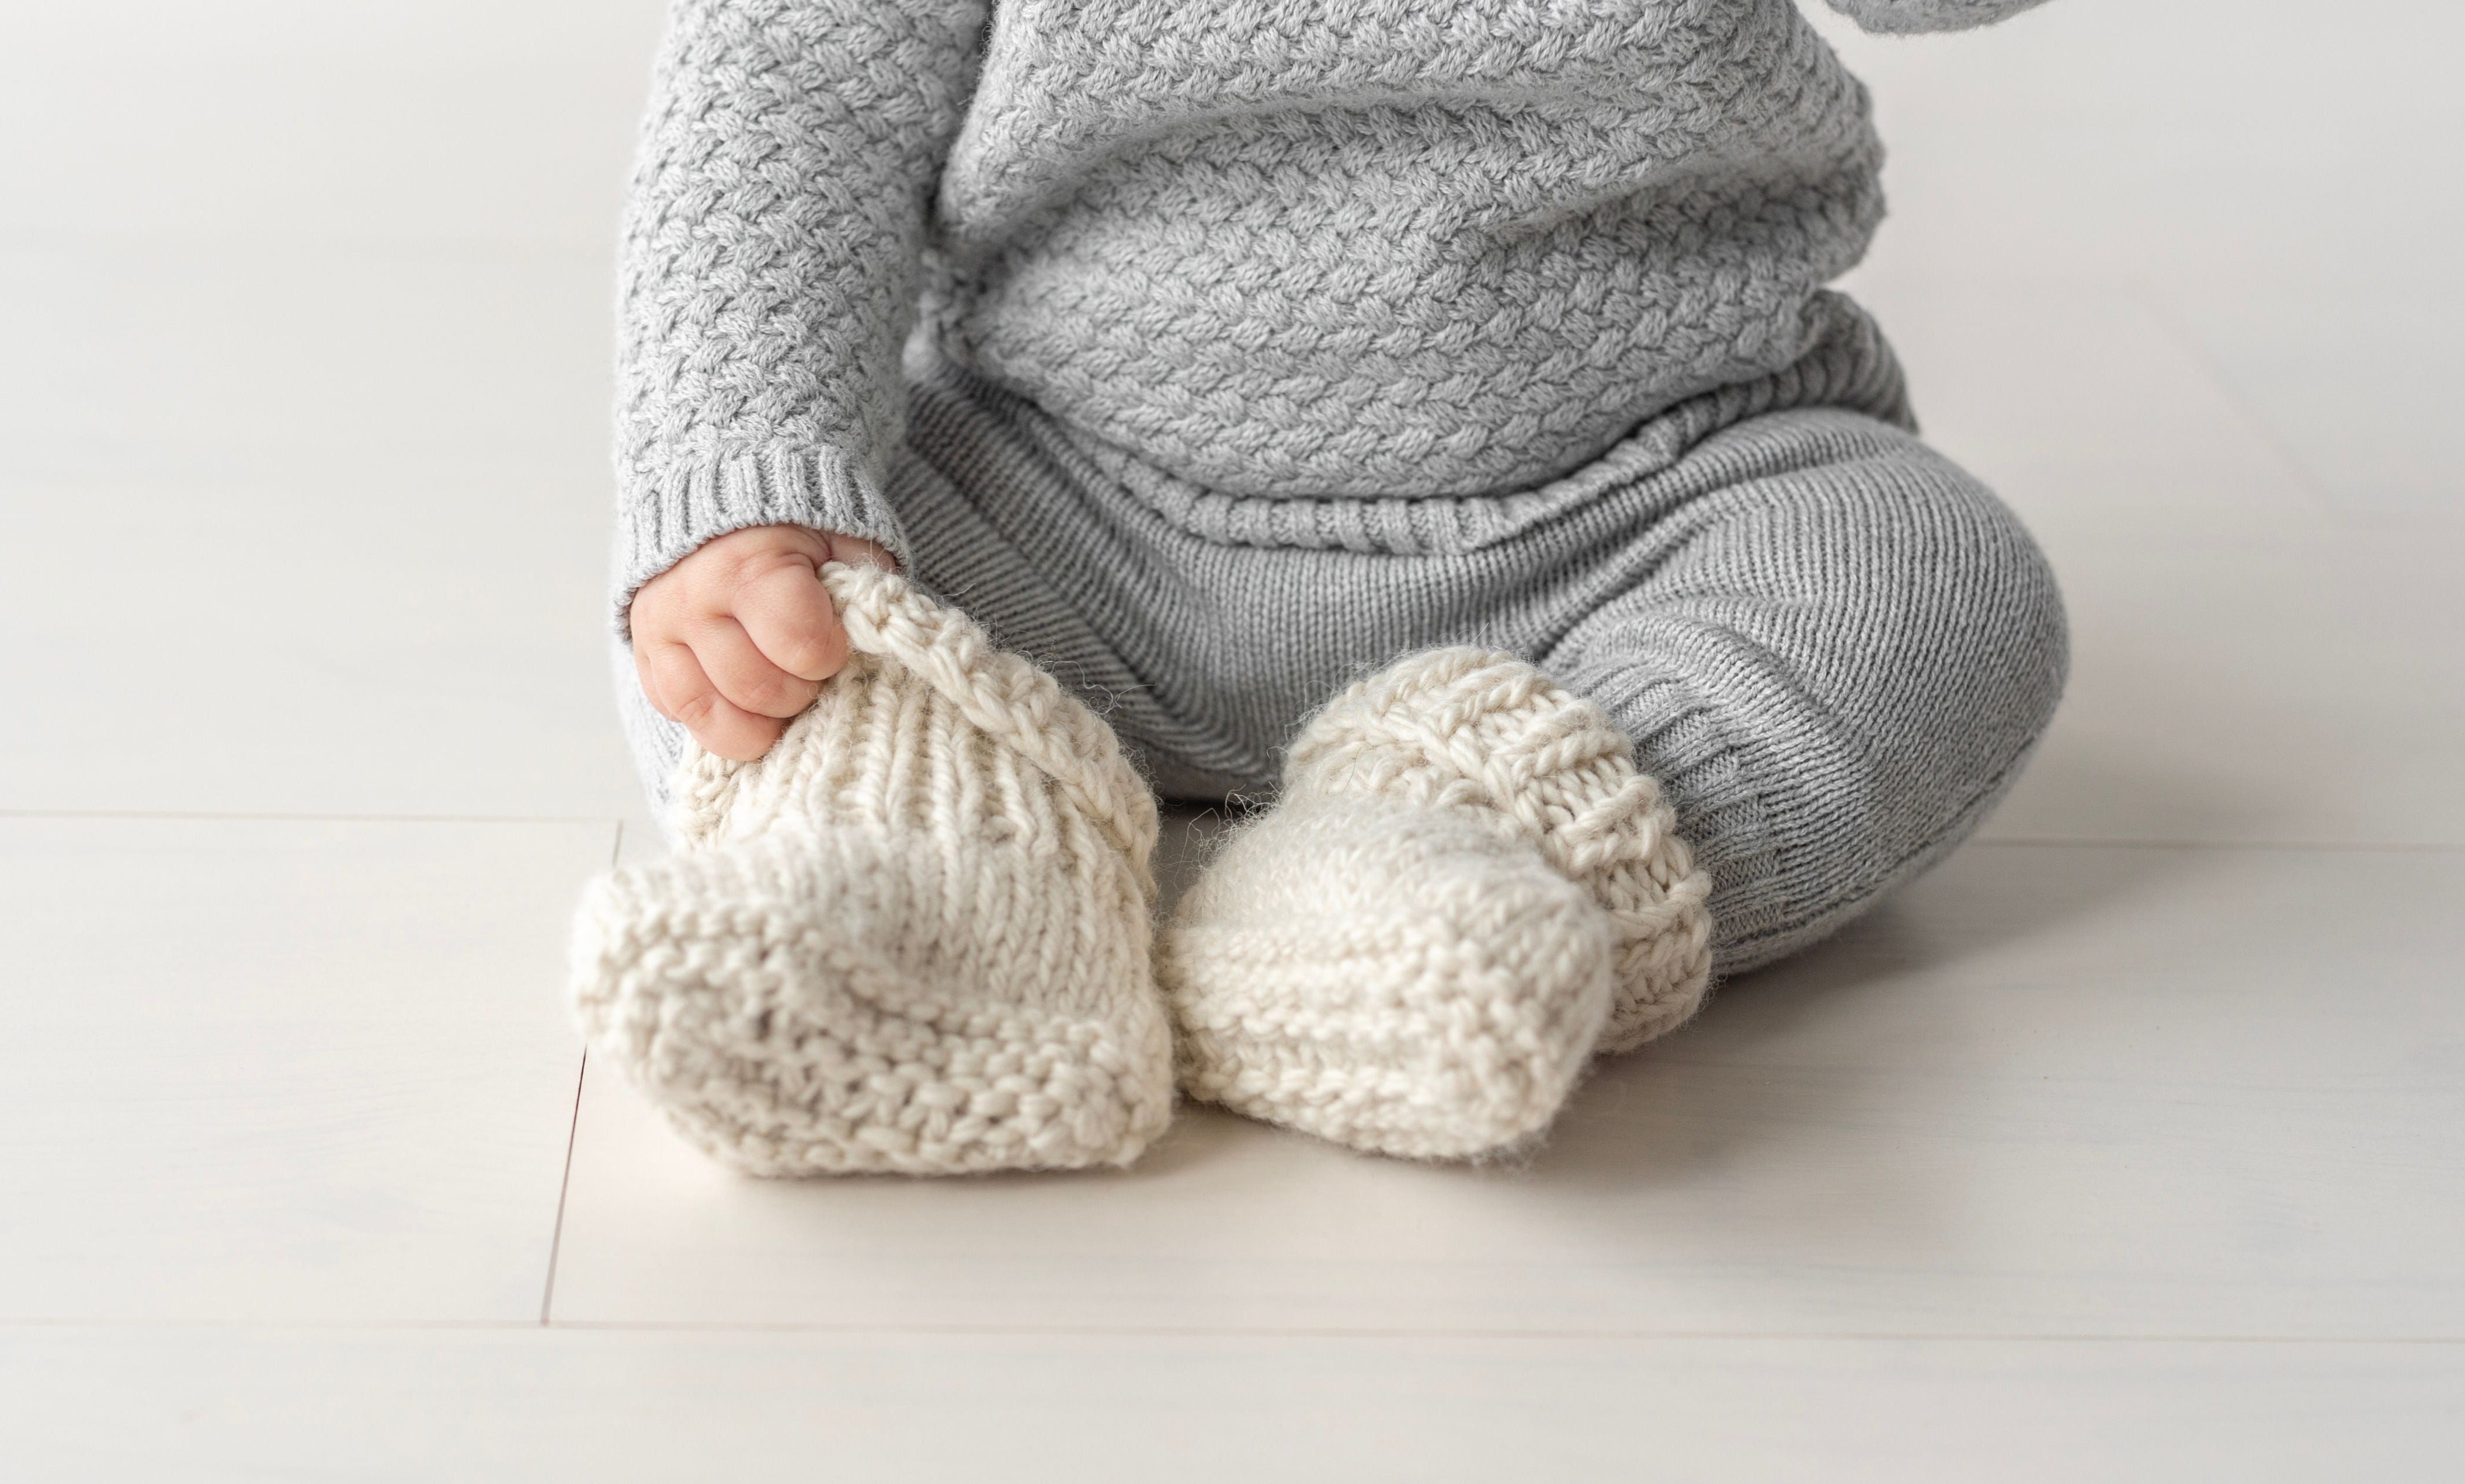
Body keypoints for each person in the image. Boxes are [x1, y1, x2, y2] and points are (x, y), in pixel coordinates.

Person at [569, 0, 2070, 1175]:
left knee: (1927, 580)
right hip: (1063, 497)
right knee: (768, 611)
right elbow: (785, 92)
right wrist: (747, 467)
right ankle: (923, 866)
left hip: (1641, 489)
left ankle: (1446, 855)